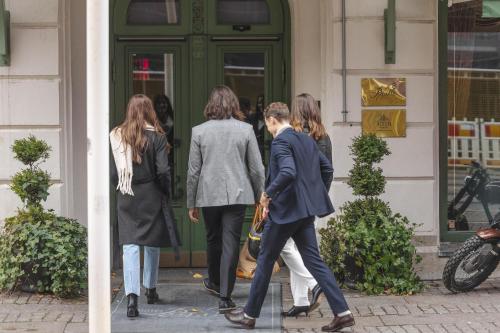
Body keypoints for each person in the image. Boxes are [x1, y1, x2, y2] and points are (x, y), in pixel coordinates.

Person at [224, 102, 354, 332]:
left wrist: (267, 195)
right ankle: (343, 313)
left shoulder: (281, 141)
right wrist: (313, 197)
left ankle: (249, 315)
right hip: (304, 212)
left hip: (284, 213)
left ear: (273, 120)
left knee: (264, 261)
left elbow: (288, 172)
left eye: (268, 125)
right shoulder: (305, 138)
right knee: (314, 261)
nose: (269, 129)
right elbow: (327, 169)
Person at [186, 85, 265, 314]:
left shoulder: (198, 131)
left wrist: (191, 203)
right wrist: (261, 195)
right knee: (230, 241)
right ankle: (225, 296)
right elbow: (257, 168)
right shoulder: (245, 129)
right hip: (237, 193)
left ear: (211, 104)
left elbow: (193, 171)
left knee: (213, 238)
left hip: (208, 194)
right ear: (233, 104)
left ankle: (214, 282)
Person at [110, 94, 180, 318]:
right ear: (150, 111)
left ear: (129, 111)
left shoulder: (117, 136)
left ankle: (132, 298)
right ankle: (150, 289)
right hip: (151, 193)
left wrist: (120, 186)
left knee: (130, 245)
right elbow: (162, 170)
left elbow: (113, 172)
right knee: (152, 243)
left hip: (127, 193)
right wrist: (166, 191)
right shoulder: (158, 137)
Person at [278, 93, 333, 317]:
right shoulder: (324, 136)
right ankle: (300, 301)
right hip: (314, 201)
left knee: (285, 245)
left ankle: (314, 284)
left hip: (294, 200)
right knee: (301, 249)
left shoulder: (294, 136)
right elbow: (328, 170)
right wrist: (320, 195)